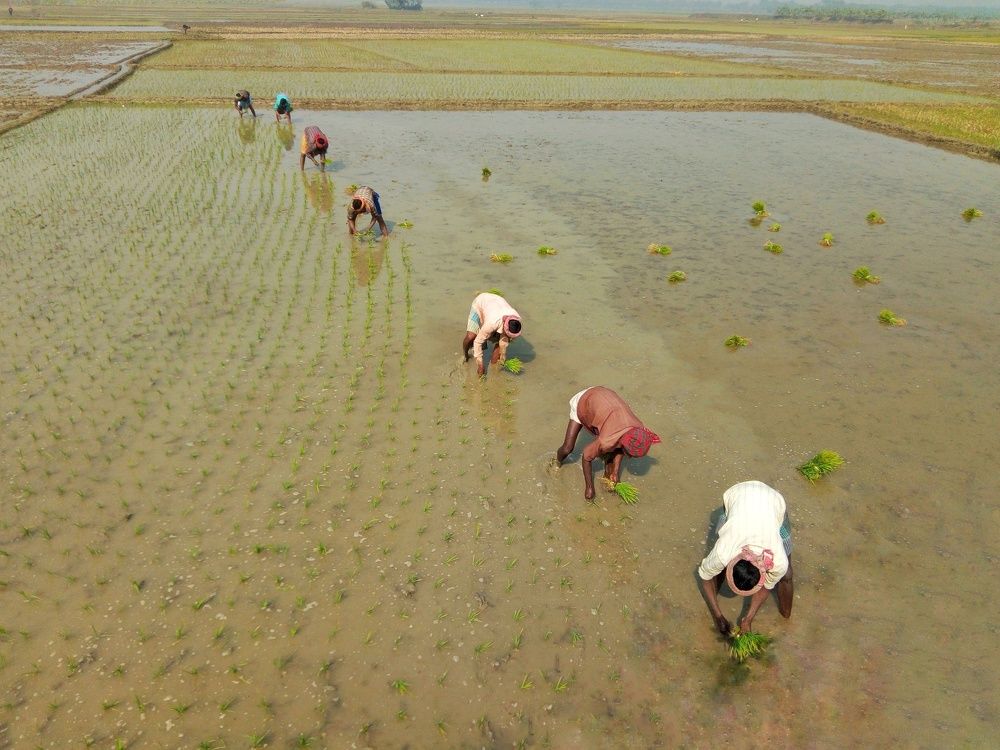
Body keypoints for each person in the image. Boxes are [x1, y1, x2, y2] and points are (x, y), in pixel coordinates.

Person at [697, 480, 794, 635]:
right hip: (738, 494)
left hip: (774, 502)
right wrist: (718, 616)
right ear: (730, 563)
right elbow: (705, 577)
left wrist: (748, 619)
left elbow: (765, 587)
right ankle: (717, 587)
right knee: (715, 566)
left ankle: (786, 615)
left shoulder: (778, 562)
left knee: (787, 574)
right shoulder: (723, 551)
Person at [555, 387, 660, 500]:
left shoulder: (638, 430)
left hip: (606, 399)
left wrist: (615, 472)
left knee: (610, 455)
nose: (629, 457)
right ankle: (556, 462)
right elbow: (586, 457)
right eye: (630, 454)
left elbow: (620, 449)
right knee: (567, 448)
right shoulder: (606, 441)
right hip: (585, 400)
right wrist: (589, 487)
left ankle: (608, 474)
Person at [462, 292, 522, 378]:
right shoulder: (492, 323)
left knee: (499, 345)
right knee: (470, 337)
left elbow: (503, 343)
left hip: (496, 304)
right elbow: (478, 342)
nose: (509, 338)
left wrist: (503, 356)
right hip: (480, 303)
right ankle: (466, 355)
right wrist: (480, 364)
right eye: (508, 335)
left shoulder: (516, 321)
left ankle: (494, 371)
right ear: (504, 326)